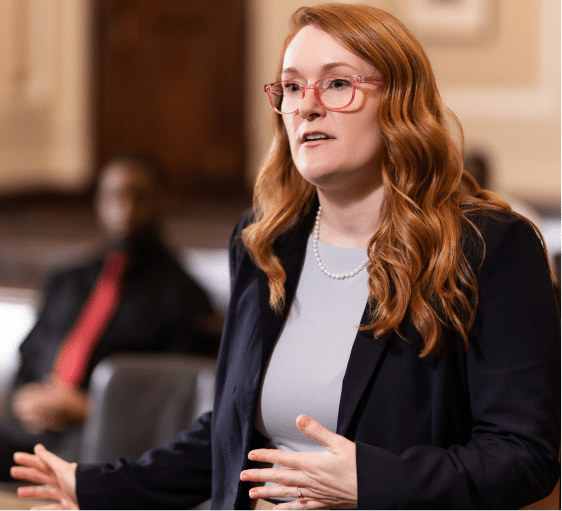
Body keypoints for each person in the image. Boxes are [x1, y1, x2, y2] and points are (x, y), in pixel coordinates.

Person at [11, 4, 560, 510]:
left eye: (337, 83)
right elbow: (228, 438)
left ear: (399, 102)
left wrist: (371, 481)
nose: (308, 105)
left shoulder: (489, 248)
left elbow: (523, 457)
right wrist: (99, 484)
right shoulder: (263, 244)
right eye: (292, 87)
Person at [0, 154, 218, 480]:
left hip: (104, 434)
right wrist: (24, 398)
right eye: (114, 195)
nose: (125, 208)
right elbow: (30, 354)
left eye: (139, 196)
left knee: (74, 470)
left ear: (162, 202)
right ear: (99, 202)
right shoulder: (67, 280)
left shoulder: (183, 294)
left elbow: (177, 395)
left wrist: (92, 406)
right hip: (35, 423)